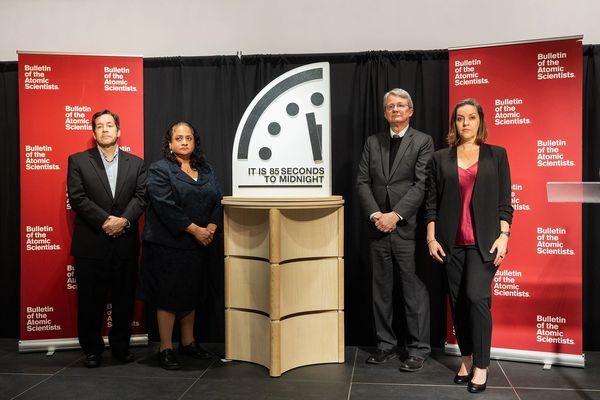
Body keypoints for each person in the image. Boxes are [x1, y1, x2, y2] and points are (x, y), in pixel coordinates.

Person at [425, 98, 513, 393]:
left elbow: (505, 202)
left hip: (484, 243)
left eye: (471, 117)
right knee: (458, 302)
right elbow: (431, 203)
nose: (465, 123)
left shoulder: (497, 155)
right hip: (450, 243)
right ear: (454, 123)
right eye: (460, 118)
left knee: (476, 297)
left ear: (480, 121)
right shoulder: (439, 158)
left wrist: (504, 236)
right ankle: (466, 359)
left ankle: (482, 365)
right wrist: (431, 237)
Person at [356, 88, 433, 372]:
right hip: (377, 227)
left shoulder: (423, 141)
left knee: (413, 291)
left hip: (407, 228)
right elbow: (362, 181)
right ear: (385, 112)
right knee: (381, 290)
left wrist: (395, 215)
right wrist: (377, 215)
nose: (395, 110)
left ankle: (418, 349)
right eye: (390, 106)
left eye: (401, 105)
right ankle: (385, 345)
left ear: (410, 111)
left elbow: (421, 184)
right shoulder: (372, 142)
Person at [67, 109, 147, 368]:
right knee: (90, 301)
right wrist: (105, 221)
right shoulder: (78, 161)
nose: (105, 129)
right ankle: (92, 350)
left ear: (118, 130)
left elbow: (141, 197)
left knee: (124, 300)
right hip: (91, 244)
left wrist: (123, 221)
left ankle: (121, 347)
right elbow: (77, 197)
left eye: (109, 125)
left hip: (125, 243)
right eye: (99, 126)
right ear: (94, 133)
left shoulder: (137, 163)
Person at [139, 121, 222, 370]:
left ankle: (188, 342)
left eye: (189, 138)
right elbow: (164, 206)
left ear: (195, 142)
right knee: (168, 296)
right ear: (170, 143)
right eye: (179, 138)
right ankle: (166, 348)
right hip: (168, 245)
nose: (184, 142)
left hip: (199, 244)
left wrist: (211, 228)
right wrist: (196, 230)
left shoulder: (205, 169)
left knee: (191, 293)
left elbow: (218, 199)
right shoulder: (160, 169)